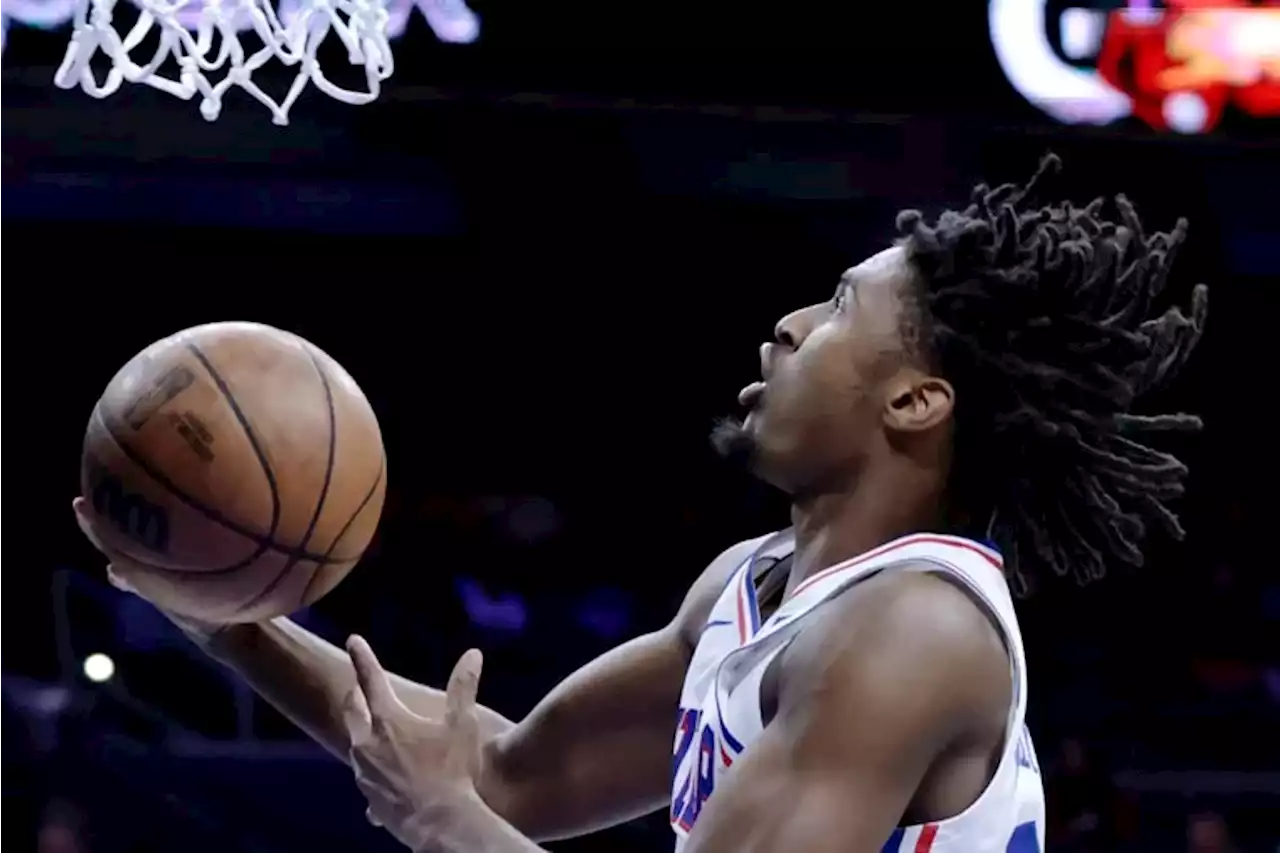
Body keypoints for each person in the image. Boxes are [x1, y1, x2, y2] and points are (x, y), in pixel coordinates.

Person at [74, 155, 1207, 853]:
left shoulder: (912, 633)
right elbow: (515, 776)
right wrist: (227, 623)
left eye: (838, 306)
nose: (791, 324)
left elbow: (461, 805)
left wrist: (439, 821)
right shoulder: (752, 584)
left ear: (914, 400)